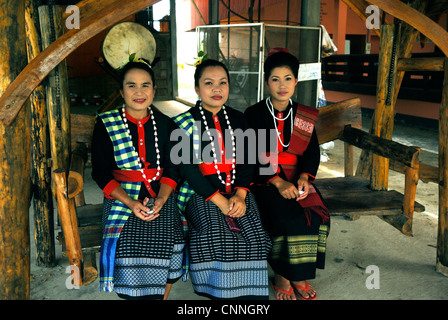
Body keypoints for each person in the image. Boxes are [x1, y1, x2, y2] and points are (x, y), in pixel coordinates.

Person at [172, 58, 271, 300]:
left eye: (222, 83)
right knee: (216, 237)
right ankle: (219, 295)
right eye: (209, 83)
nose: (217, 89)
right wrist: (218, 200)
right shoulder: (184, 122)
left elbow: (248, 160)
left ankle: (248, 299)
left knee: (256, 237)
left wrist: (240, 194)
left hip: (237, 192)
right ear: (197, 88)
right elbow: (188, 170)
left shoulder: (239, 119)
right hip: (201, 194)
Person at [91, 57, 185, 300]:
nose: (139, 92)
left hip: (160, 194)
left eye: (145, 85)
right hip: (122, 197)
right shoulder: (106, 124)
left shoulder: (167, 125)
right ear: (121, 91)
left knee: (171, 236)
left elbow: (173, 169)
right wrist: (132, 204)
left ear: (154, 90)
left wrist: (162, 200)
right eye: (131, 85)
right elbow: (100, 173)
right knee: (130, 242)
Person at [244, 49, 330, 300]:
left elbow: (312, 152)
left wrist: (304, 178)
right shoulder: (255, 114)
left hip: (297, 179)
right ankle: (282, 274)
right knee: (285, 217)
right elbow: (251, 153)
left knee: (316, 216)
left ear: (296, 81)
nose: (282, 85)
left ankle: (298, 274)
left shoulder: (303, 115)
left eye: (288, 78)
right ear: (267, 81)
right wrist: (278, 182)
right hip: (266, 180)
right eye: (275, 79)